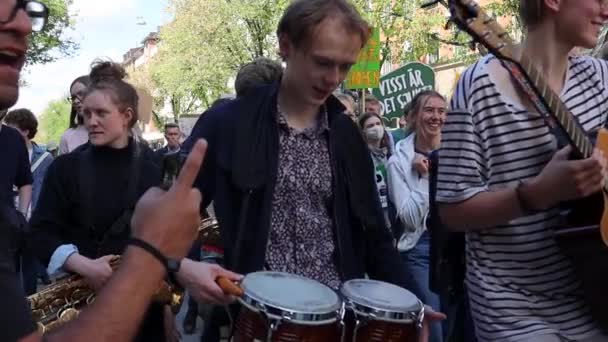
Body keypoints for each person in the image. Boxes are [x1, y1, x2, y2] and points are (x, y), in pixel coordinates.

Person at [181, 1, 444, 341]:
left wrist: (416, 305)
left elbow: (375, 234)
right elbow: (169, 212)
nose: (333, 79)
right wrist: (183, 268)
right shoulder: (229, 123)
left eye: (345, 67)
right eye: (322, 62)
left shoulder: (347, 135)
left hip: (335, 323)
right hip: (256, 320)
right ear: (286, 45)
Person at [0, 3, 229, 342]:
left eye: (100, 113)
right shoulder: (66, 167)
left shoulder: (155, 169)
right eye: (85, 113)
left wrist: (169, 303)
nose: (90, 121)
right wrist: (83, 265)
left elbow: (164, 248)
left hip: (147, 312)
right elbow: (40, 235)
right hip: (82, 313)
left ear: (127, 116)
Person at [437, 0, 608, 341]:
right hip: (511, 311)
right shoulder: (476, 87)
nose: (606, 9)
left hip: (596, 296)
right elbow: (452, 211)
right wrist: (537, 193)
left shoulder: (600, 80)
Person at [387, 90, 447, 342]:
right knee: (435, 329)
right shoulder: (398, 162)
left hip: (457, 244)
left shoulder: (457, 150)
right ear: (413, 116)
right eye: (429, 110)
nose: (436, 117)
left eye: (441, 111)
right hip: (419, 247)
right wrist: (425, 177)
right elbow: (410, 219)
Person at [4, 108, 53, 294]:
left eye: (12, 128)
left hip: (33, 217)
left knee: (29, 265)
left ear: (25, 131)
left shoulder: (45, 158)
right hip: (9, 218)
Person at [358, 112, 393, 229]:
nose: (376, 128)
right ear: (363, 131)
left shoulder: (391, 155)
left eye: (378, 124)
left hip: (391, 214)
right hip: (372, 217)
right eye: (370, 126)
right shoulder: (359, 157)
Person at [58, 75, 91, 154]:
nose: (76, 101)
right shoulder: (67, 137)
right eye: (73, 97)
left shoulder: (114, 129)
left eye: (81, 94)